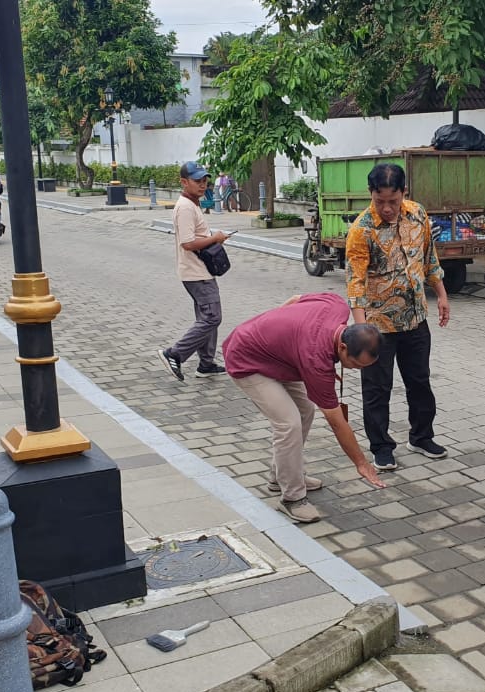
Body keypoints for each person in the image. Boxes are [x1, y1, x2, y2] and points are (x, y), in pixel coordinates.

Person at [223, 293, 386, 523]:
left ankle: (282, 476)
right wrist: (361, 463)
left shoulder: (337, 305)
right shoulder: (316, 359)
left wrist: (279, 334)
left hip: (285, 357)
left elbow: (295, 299)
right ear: (342, 347)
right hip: (247, 358)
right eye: (356, 364)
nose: (357, 370)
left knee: (305, 411)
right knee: (288, 424)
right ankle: (292, 498)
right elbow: (338, 423)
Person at [345, 163, 451, 471]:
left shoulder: (418, 214)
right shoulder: (362, 229)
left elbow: (429, 258)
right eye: (380, 201)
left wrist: (442, 294)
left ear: (404, 192)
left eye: (393, 200)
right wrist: (360, 327)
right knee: (378, 388)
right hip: (378, 325)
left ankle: (421, 436)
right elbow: (355, 281)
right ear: (372, 195)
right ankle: (381, 445)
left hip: (415, 318)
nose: (387, 208)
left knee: (419, 382)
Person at [156, 161, 232, 381]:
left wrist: (214, 240)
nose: (203, 184)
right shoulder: (186, 208)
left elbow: (194, 238)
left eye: (205, 180)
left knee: (206, 316)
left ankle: (206, 363)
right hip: (195, 273)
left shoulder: (192, 204)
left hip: (199, 270)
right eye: (197, 181)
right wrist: (215, 238)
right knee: (211, 317)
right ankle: (175, 354)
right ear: (183, 182)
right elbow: (188, 243)